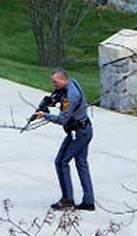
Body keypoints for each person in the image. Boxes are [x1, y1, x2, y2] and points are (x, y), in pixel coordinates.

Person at [35, 67, 95, 211]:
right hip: (83, 130)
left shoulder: (71, 95)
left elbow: (62, 119)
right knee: (81, 163)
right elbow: (59, 96)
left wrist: (44, 115)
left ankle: (67, 200)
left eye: (55, 82)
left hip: (79, 133)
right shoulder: (71, 84)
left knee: (61, 162)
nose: (54, 85)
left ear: (63, 79)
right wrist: (52, 100)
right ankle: (88, 201)